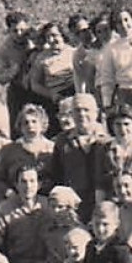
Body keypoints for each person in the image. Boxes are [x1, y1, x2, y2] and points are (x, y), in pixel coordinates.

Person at [50, 92, 110, 221]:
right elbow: (56, 175)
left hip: (105, 205)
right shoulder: (62, 141)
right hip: (75, 207)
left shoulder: (108, 139)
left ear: (96, 112)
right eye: (77, 110)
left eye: (86, 110)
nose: (82, 114)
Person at [0, 102, 57, 195]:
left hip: (48, 200)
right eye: (26, 122)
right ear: (20, 126)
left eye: (34, 121)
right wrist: (8, 193)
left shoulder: (53, 149)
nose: (30, 126)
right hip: (17, 200)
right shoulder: (9, 150)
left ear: (42, 124)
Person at [0, 11, 37, 118]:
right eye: (15, 31)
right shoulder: (3, 50)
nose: (19, 34)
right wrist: (14, 69)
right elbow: (0, 78)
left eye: (22, 30)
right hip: (18, 91)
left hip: (39, 87)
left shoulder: (36, 40)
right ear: (9, 31)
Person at [26, 21, 78, 107]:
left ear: (62, 35)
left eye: (54, 35)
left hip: (75, 93)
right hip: (55, 98)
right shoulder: (41, 58)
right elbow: (35, 84)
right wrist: (52, 95)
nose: (51, 40)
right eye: (48, 37)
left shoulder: (74, 53)